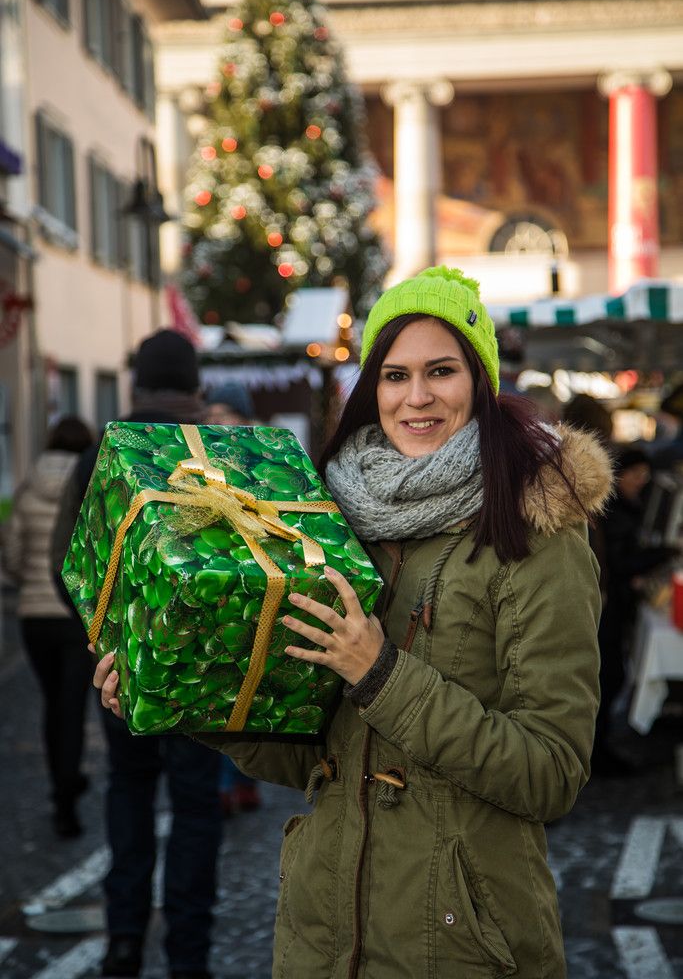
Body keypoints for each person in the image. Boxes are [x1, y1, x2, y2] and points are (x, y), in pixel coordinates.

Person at [96, 268, 610, 979]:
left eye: (441, 371)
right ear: (370, 388)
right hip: (322, 935)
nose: (416, 396)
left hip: (458, 942)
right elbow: (311, 755)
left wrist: (381, 675)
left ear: (482, 382)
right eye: (394, 375)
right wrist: (179, 698)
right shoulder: (336, 521)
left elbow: (549, 773)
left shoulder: (535, 531)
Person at [53, 330, 221, 979]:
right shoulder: (214, 450)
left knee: (129, 790)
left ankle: (123, 938)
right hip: (202, 669)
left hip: (116, 668)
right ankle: (190, 954)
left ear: (137, 385)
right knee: (196, 806)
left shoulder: (102, 451)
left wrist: (106, 640)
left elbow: (63, 560)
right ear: (195, 388)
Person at [4, 415, 93, 838]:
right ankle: (67, 802)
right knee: (72, 708)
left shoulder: (26, 488)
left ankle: (60, 783)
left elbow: (13, 554)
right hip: (72, 616)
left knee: (51, 702)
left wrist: (27, 583)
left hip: (34, 617)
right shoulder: (88, 487)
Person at [592, 445, 677, 776]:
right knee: (609, 675)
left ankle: (601, 746)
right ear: (620, 475)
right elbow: (621, 563)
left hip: (614, 605)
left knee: (613, 675)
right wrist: (665, 553)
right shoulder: (615, 512)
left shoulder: (628, 507)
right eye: (636, 475)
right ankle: (598, 751)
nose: (641, 481)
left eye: (645, 475)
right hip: (608, 608)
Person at [201, 379, 263, 815]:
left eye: (226, 415)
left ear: (244, 419)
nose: (218, 423)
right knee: (222, 688)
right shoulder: (197, 462)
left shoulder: (261, 459)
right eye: (212, 416)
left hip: (256, 588)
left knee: (251, 687)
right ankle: (225, 784)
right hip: (216, 589)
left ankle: (246, 781)